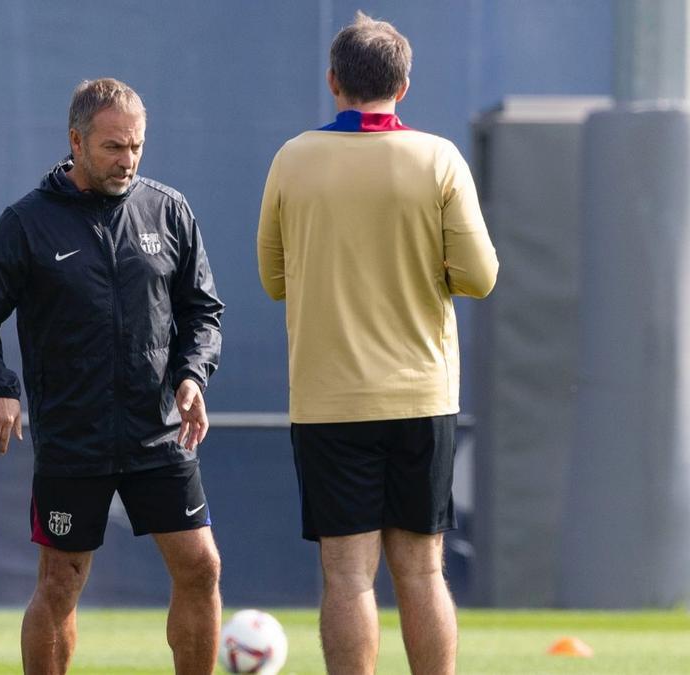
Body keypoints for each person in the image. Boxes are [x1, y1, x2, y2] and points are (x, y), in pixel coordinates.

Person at [0, 77, 225, 675]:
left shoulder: (168, 209)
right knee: (60, 583)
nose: (127, 161)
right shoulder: (28, 222)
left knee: (201, 567)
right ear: (75, 141)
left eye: (136, 147)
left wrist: (192, 376)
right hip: (74, 439)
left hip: (159, 433)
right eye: (113, 147)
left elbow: (202, 311)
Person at [256, 12, 499, 675]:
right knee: (421, 571)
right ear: (405, 83)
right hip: (421, 394)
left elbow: (273, 279)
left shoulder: (293, 159)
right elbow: (480, 277)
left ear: (333, 80)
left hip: (330, 400)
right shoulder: (438, 158)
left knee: (347, 576)